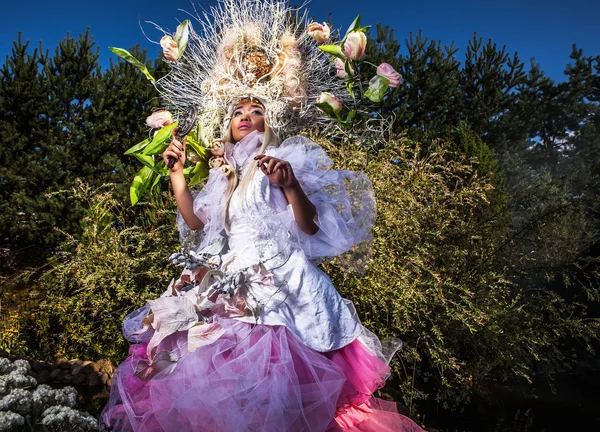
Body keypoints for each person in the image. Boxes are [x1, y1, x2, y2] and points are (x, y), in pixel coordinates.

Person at [101, 1, 425, 430]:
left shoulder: (282, 160)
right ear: (227, 121)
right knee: (215, 385)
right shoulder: (224, 172)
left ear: (269, 123)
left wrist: (290, 185)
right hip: (228, 278)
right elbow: (199, 224)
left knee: (280, 390)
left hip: (281, 286)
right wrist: (177, 177)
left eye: (257, 112)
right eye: (238, 111)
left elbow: (309, 226)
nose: (247, 117)